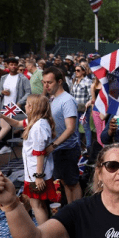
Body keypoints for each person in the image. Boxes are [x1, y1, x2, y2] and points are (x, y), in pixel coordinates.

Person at [1, 94, 57, 224]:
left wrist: (38, 176)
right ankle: (46, 231)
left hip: (36, 173)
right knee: (40, 204)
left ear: (32, 108)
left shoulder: (38, 126)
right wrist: (3, 116)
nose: (25, 106)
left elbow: (40, 152)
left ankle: (44, 234)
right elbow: (17, 123)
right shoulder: (36, 121)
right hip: (35, 171)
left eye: (27, 104)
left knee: (36, 205)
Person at [42, 67, 81, 204]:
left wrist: (54, 145)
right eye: (44, 82)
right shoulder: (53, 99)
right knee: (65, 182)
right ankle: (71, 212)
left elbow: (70, 128)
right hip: (59, 148)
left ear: (59, 82)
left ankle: (77, 212)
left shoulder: (67, 100)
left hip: (67, 148)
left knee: (72, 183)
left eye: (49, 82)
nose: (46, 85)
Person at [71, 64, 93, 153]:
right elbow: (72, 95)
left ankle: (88, 147)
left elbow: (91, 96)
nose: (76, 72)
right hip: (74, 108)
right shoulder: (75, 81)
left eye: (78, 70)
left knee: (86, 127)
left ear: (83, 71)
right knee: (75, 128)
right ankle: (78, 147)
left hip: (84, 108)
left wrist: (88, 104)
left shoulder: (88, 81)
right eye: (75, 70)